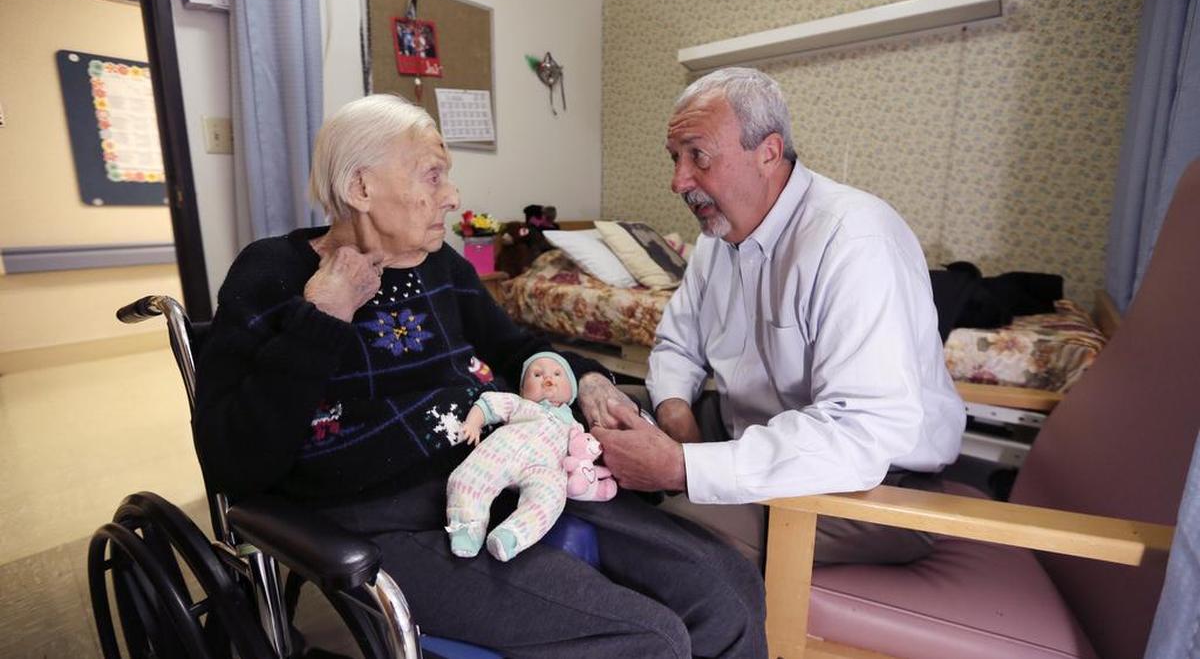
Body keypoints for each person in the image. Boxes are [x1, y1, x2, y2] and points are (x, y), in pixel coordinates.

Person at [194, 93, 765, 658]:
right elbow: (233, 462)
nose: (453, 196)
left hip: (508, 469)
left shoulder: (443, 266)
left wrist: (588, 379)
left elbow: (517, 349)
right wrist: (322, 317)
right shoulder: (273, 274)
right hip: (383, 519)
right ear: (360, 187)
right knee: (648, 640)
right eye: (433, 175)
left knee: (727, 590)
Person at [591, 67, 965, 566]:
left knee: (650, 530)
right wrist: (675, 413)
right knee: (593, 415)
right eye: (674, 158)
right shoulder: (716, 241)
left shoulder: (854, 239)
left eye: (698, 156)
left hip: (866, 480)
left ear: (767, 152)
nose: (678, 181)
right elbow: (678, 345)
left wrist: (682, 467)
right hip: (749, 433)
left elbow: (861, 433)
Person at [446, 352, 615, 562]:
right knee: (467, 477)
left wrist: (586, 481)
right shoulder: (519, 403)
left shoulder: (575, 427)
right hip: (500, 451)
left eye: (557, 374)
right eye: (536, 374)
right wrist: (473, 423)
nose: (548, 378)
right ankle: (466, 528)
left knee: (552, 498)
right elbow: (488, 406)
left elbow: (582, 455)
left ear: (571, 392)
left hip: (544, 468)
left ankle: (512, 535)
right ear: (523, 389)